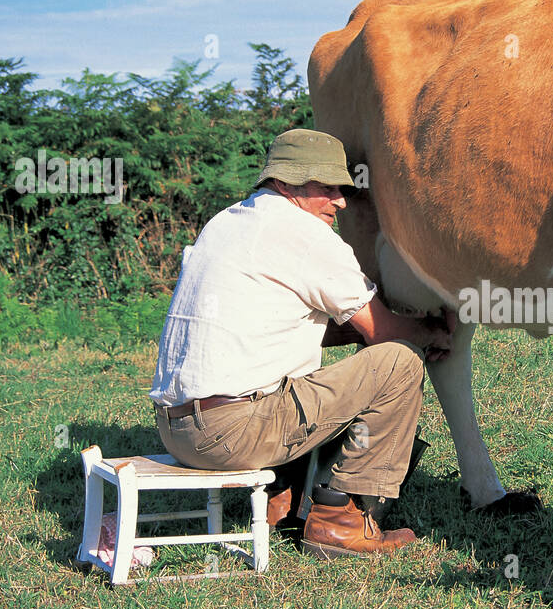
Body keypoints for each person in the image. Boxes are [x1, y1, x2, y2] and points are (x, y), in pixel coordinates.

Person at [148, 129, 452, 558]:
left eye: (341, 189)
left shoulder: (228, 222)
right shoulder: (304, 234)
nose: (340, 201)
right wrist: (434, 331)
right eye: (326, 188)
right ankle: (339, 522)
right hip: (232, 435)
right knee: (398, 363)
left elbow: (278, 328)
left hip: (177, 429)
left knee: (313, 376)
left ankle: (284, 502)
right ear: (287, 184)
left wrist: (362, 331)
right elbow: (382, 333)